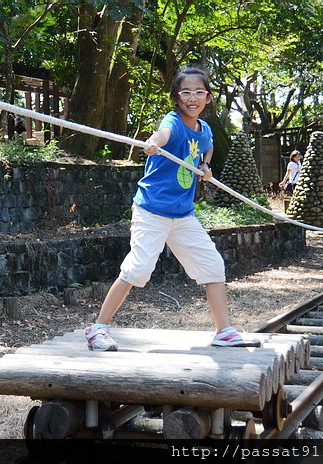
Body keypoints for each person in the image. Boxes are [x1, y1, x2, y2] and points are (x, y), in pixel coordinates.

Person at [84, 67, 260, 351]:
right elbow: (163, 133)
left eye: (199, 92)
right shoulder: (174, 121)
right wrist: (154, 143)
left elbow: (208, 146)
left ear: (208, 97)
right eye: (186, 93)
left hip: (182, 214)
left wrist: (204, 165)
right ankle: (97, 329)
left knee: (213, 265)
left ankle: (224, 331)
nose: (193, 98)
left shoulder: (205, 129)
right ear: (177, 97)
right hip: (152, 210)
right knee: (138, 269)